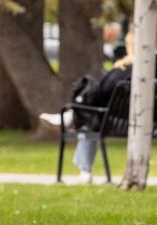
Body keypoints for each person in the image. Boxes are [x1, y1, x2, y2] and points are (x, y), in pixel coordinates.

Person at [40, 50, 151, 186]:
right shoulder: (153, 67)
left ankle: (68, 118)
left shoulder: (129, 68)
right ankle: (69, 117)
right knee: (90, 117)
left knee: (89, 121)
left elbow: (105, 90)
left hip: (120, 121)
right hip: (136, 119)